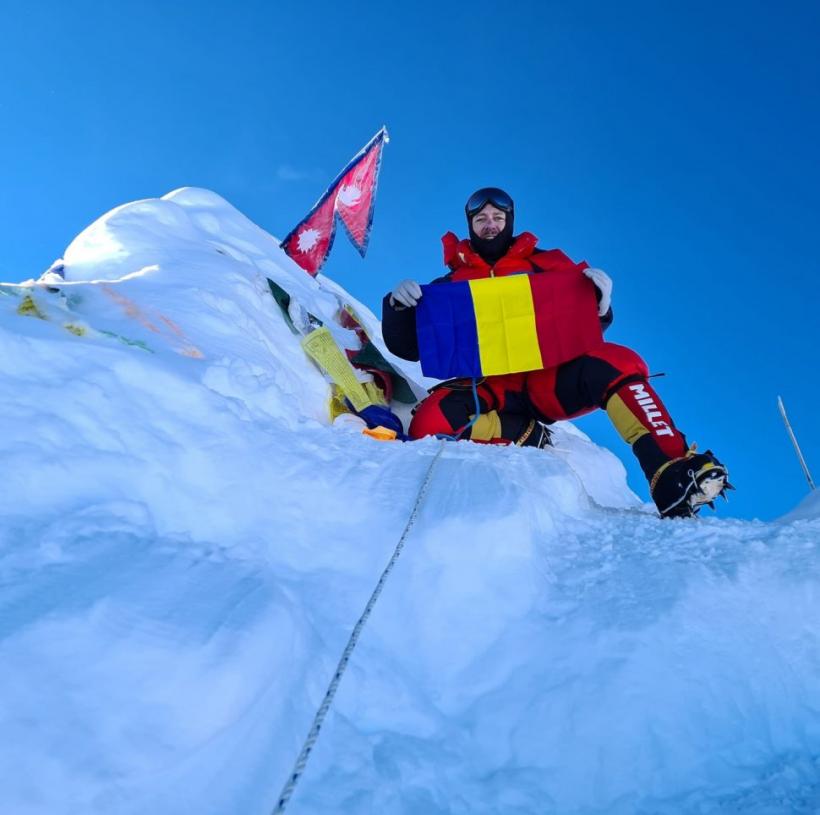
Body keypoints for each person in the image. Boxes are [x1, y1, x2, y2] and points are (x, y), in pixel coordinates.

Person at [381, 187, 732, 518]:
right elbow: (409, 348)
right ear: (470, 226)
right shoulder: (449, 287)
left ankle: (672, 471)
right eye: (481, 219)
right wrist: (399, 309)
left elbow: (579, 326)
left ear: (510, 221)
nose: (490, 225)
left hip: (545, 380)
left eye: (497, 218)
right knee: (429, 423)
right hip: (489, 386)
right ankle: (523, 433)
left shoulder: (547, 266)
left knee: (618, 360)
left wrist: (600, 305)